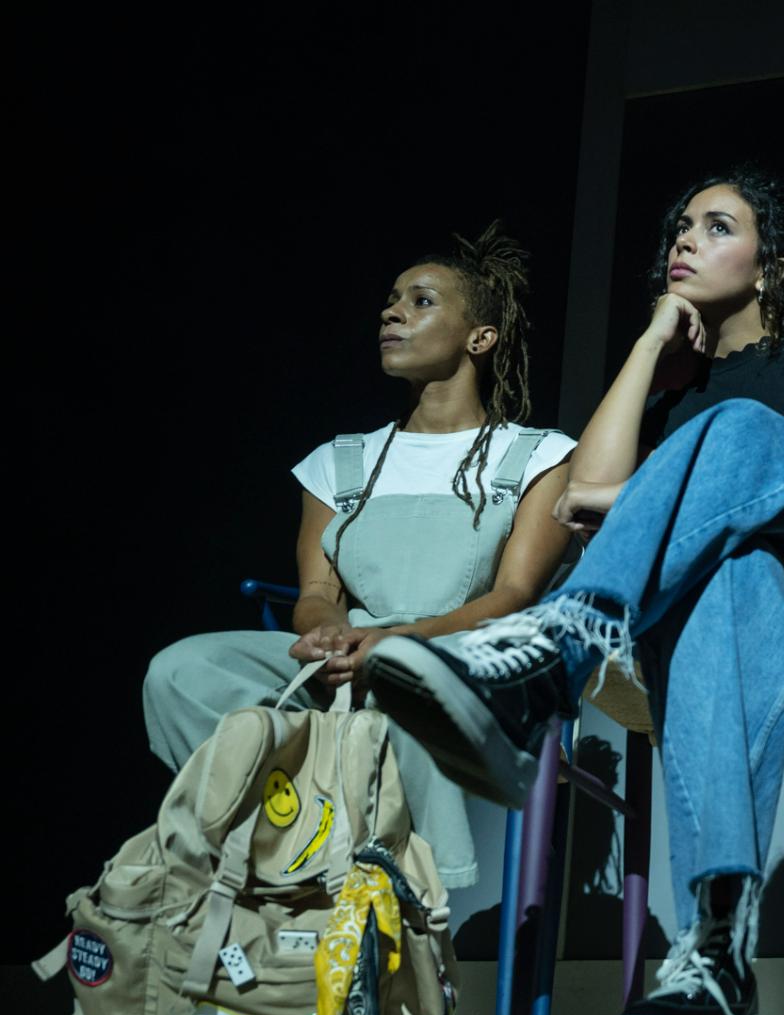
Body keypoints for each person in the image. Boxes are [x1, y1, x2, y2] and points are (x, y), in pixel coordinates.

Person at [361, 167, 784, 1015]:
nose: (685, 238)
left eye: (717, 226)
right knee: (731, 579)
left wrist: (639, 497)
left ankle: (562, 642)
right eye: (681, 226)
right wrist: (649, 345)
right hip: (761, 609)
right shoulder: (677, 394)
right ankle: (719, 954)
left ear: (769, 265)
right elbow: (584, 486)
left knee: (745, 435)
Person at [143, 223, 575, 888]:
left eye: (420, 301)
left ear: (479, 338)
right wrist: (326, 632)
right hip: (349, 659)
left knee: (406, 676)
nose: (391, 313)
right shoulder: (340, 461)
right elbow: (318, 591)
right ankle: (284, 840)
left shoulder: (537, 455)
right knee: (180, 671)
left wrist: (395, 641)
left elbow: (512, 596)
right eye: (391, 300)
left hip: (461, 660)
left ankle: (405, 883)